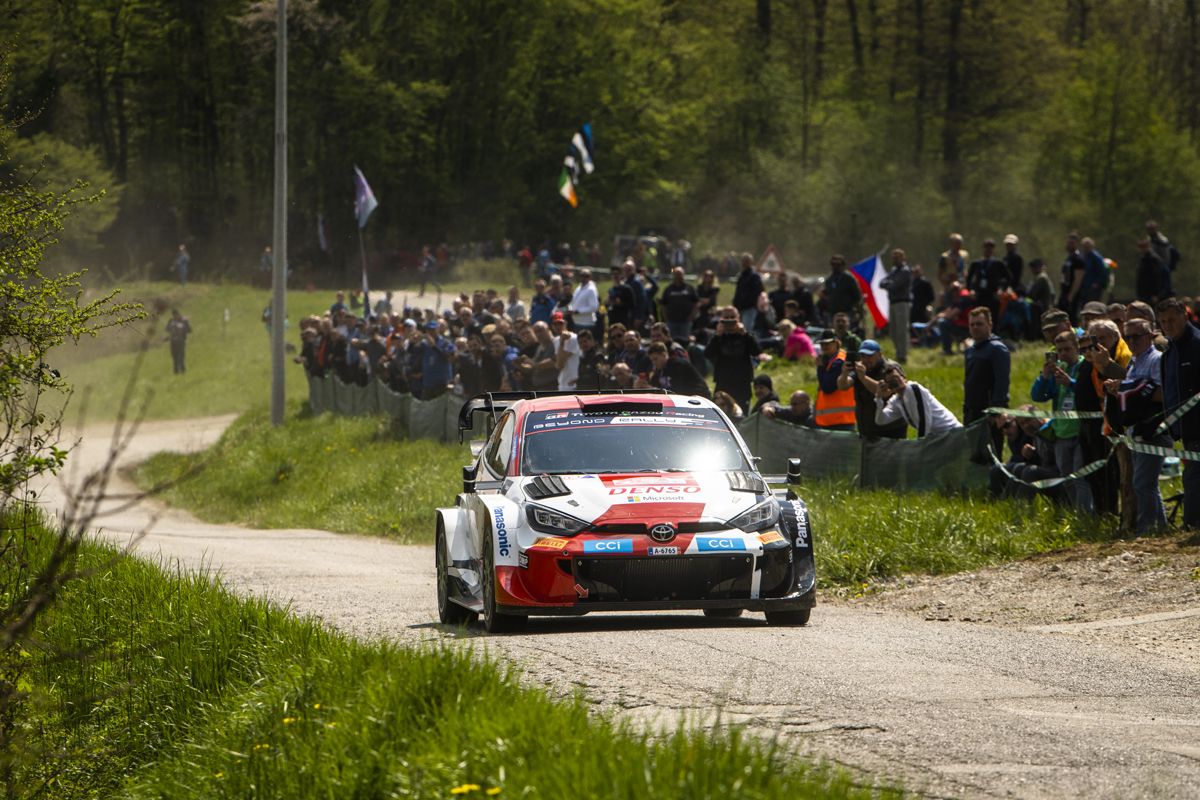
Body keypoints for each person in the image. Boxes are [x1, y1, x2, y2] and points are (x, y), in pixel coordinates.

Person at [1104, 318, 1171, 533]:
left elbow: (1163, 394)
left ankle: (1148, 529)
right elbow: (1134, 391)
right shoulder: (1134, 361)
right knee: (1145, 484)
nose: (1132, 341)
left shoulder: (1156, 359)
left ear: (1150, 335)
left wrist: (1129, 389)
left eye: (1137, 336)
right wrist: (1120, 389)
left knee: (1143, 483)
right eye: (1128, 337)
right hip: (1137, 430)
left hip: (1154, 429)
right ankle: (1159, 529)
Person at [1031, 330, 1093, 513]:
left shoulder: (1085, 366)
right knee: (1067, 478)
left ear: (1076, 348)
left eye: (1067, 349)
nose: (1064, 354)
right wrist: (1044, 377)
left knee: (1080, 478)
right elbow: (1038, 396)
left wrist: (1070, 383)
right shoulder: (1058, 369)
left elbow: (1087, 393)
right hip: (1061, 433)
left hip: (1080, 431)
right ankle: (1076, 515)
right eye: (1060, 350)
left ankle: (1086, 517)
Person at [1157, 298, 1200, 531]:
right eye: (1163, 322)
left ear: (1185, 315)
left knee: (1193, 476)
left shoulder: (1197, 345)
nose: (1167, 325)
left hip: (1196, 425)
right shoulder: (1169, 352)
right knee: (1193, 474)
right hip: (1184, 428)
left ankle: (1192, 525)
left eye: (1172, 319)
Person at [837, 339, 906, 439]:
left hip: (891, 430)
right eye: (863, 356)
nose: (866, 360)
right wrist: (844, 373)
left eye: (869, 356)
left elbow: (885, 392)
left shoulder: (891, 368)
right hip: (867, 430)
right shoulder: (860, 368)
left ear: (879, 354)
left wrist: (863, 378)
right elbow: (842, 386)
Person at [873, 362, 962, 437]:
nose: (895, 382)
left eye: (896, 378)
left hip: (951, 432)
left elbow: (924, 422)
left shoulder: (913, 388)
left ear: (904, 378)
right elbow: (880, 420)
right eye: (891, 381)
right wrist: (879, 398)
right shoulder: (896, 401)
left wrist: (920, 444)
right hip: (937, 437)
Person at [962, 308, 1011, 435]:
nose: (975, 327)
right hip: (971, 413)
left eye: (979, 324)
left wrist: (995, 411)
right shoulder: (970, 350)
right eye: (972, 324)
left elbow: (1002, 383)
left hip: (989, 415)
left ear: (990, 325)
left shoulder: (997, 349)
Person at [704, 309, 760, 411]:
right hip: (724, 380)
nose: (729, 320)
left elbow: (756, 352)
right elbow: (708, 354)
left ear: (738, 319)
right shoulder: (719, 337)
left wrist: (745, 334)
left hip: (742, 381)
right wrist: (717, 335)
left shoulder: (745, 336)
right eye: (726, 318)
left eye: (732, 317)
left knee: (742, 411)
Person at [813, 333, 856, 432]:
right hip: (833, 420)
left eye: (827, 343)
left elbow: (827, 388)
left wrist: (820, 368)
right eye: (822, 344)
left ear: (836, 343)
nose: (824, 346)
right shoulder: (830, 360)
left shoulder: (839, 362)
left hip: (840, 420)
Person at [879, 249, 913, 364]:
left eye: (897, 257)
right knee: (893, 331)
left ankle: (902, 355)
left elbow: (895, 286)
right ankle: (898, 351)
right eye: (893, 257)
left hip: (902, 302)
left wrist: (889, 284)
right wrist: (889, 283)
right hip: (893, 302)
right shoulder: (894, 271)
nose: (895, 260)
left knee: (901, 330)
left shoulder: (905, 271)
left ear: (903, 258)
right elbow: (882, 282)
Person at [643, 342, 710, 397]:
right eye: (652, 360)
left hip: (699, 396)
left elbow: (677, 389)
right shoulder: (660, 370)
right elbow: (654, 385)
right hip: (685, 397)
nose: (654, 363)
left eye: (655, 359)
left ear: (664, 355)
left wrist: (654, 389)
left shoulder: (677, 365)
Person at [965, 239, 1009, 320]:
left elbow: (1008, 277)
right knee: (978, 317)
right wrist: (971, 290)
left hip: (993, 295)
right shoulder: (976, 264)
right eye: (986, 247)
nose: (988, 250)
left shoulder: (998, 263)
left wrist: (1002, 289)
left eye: (990, 248)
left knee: (993, 318)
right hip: (979, 295)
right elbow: (968, 278)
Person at [416, 320, 455, 399]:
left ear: (437, 330)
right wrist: (413, 341)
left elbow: (449, 358)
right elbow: (413, 352)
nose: (431, 332)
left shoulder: (445, 342)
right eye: (429, 330)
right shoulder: (424, 343)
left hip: (441, 382)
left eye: (433, 330)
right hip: (428, 382)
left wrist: (434, 347)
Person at [659, 266, 699, 342]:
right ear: (673, 275)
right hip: (671, 321)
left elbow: (696, 303)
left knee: (685, 342)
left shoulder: (689, 288)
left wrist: (691, 316)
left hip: (685, 322)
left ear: (683, 275)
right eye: (676, 274)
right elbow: (663, 304)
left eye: (680, 274)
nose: (678, 276)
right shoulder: (668, 289)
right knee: (671, 341)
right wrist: (666, 318)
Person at [823, 255, 862, 322]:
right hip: (833, 313)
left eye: (838, 264)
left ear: (843, 265)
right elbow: (827, 294)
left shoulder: (849, 279)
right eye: (833, 264)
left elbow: (857, 296)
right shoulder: (829, 280)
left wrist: (857, 309)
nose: (835, 267)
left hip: (847, 312)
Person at [1135, 238, 1171, 305]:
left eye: (1144, 246)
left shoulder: (1154, 259)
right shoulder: (1142, 259)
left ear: (1149, 246)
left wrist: (1157, 295)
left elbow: (1157, 278)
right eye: (1140, 246)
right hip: (1143, 295)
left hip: (1152, 296)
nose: (1142, 248)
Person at [1058, 232, 1086, 320]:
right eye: (1068, 242)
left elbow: (1078, 279)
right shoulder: (1069, 258)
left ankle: (1078, 334)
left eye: (1072, 243)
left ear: (1076, 244)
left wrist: (1070, 296)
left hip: (1073, 296)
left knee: (1073, 319)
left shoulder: (1079, 259)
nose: (1069, 245)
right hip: (1065, 293)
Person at [733, 253, 764, 330]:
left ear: (750, 262)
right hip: (740, 308)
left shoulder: (754, 276)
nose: (744, 263)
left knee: (747, 329)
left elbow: (757, 292)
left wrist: (748, 301)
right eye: (743, 261)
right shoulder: (741, 276)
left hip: (749, 308)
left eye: (746, 261)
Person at [550, 313, 580, 390]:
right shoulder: (556, 340)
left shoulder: (574, 338)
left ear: (565, 323)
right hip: (562, 384)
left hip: (573, 385)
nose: (558, 326)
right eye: (555, 324)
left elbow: (560, 363)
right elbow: (558, 365)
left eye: (560, 323)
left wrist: (562, 342)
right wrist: (561, 342)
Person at [567, 268, 599, 335]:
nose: (584, 278)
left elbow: (594, 307)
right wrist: (570, 308)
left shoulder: (591, 290)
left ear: (590, 277)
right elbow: (573, 301)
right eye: (582, 275)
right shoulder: (579, 287)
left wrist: (578, 311)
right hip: (576, 322)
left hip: (586, 324)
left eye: (586, 276)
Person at [165, 309, 191, 374]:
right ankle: (176, 370)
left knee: (181, 356)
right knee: (174, 356)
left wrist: (182, 327)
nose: (175, 317)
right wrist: (172, 327)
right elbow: (167, 329)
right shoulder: (171, 321)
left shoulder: (183, 321)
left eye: (176, 315)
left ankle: (182, 369)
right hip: (173, 341)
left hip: (181, 340)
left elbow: (189, 330)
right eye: (174, 315)